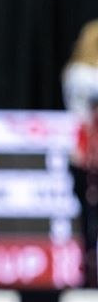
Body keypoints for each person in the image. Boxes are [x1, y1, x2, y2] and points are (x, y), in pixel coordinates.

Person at [62, 20, 98, 287]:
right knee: (88, 219)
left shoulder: (75, 72)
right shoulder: (82, 74)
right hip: (87, 153)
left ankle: (88, 266)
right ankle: (88, 270)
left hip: (82, 152)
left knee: (87, 218)